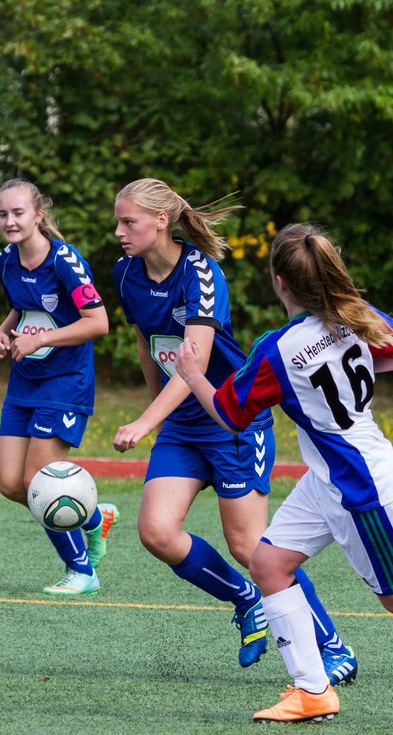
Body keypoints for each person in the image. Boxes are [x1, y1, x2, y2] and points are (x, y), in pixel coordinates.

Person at [175, 222, 393, 722]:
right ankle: (312, 690)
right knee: (268, 565)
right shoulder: (355, 316)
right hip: (333, 476)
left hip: (359, 488)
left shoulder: (277, 349)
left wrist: (193, 374)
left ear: (278, 281)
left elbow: (232, 414)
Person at [112, 179, 356, 683]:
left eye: (128, 222)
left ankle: (332, 646)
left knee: (251, 547)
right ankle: (246, 600)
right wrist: (152, 406)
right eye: (117, 221)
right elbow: (145, 341)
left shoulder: (201, 272)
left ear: (161, 221)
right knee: (157, 532)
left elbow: (194, 360)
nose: (119, 232)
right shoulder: (125, 274)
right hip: (181, 424)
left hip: (231, 421)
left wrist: (143, 422)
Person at [0, 179, 118, 595]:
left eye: (18, 213)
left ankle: (82, 570)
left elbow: (98, 322)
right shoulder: (6, 260)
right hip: (24, 381)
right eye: (3, 214)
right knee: (11, 484)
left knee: (37, 481)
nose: (10, 221)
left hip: (65, 384)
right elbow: (22, 304)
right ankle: (94, 516)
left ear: (38, 216)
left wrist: (39, 340)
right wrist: (4, 330)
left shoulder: (66, 261)